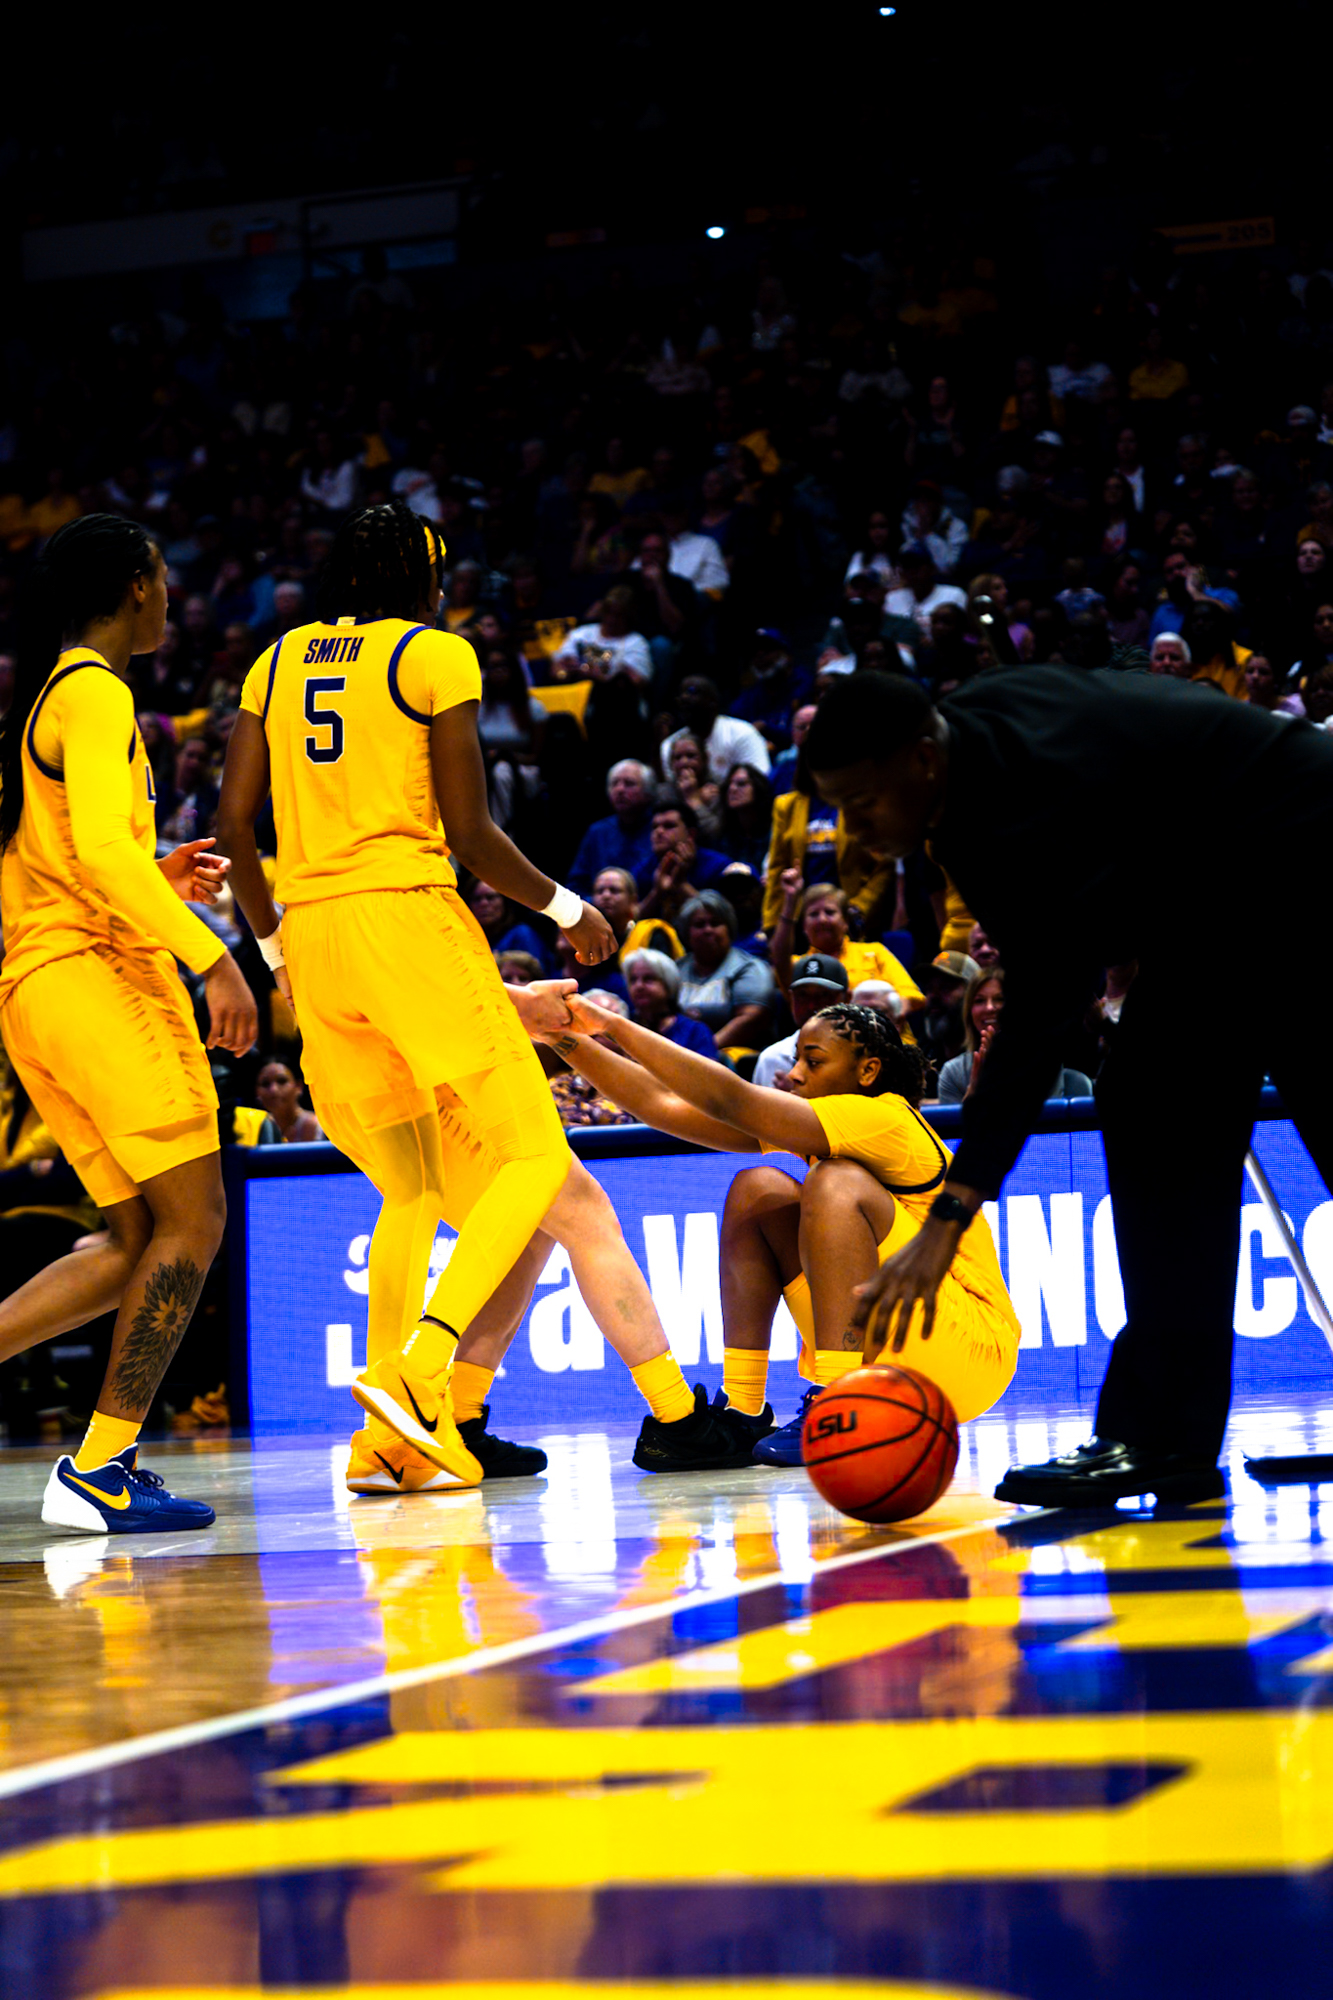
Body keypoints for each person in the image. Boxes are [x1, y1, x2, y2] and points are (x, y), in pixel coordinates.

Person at [805, 666, 1333, 1505]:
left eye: (862, 799)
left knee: (1171, 1099)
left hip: (1303, 853)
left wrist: (950, 1214)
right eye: (837, 804)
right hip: (1219, 894)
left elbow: (1042, 1010)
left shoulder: (1022, 799)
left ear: (921, 759)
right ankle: (1161, 1439)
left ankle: (1158, 1433)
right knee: (1149, 1106)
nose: (853, 827)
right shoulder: (964, 761)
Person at [216, 499, 621, 1487]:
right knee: (534, 1151)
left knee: (410, 1188)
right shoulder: (436, 655)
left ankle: (383, 1440)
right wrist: (570, 908)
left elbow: (231, 827)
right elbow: (473, 834)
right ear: (424, 574)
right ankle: (422, 1368)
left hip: (311, 936)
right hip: (403, 913)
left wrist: (271, 954)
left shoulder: (274, 661)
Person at [0, 513, 258, 1533]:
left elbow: (70, 864)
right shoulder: (97, 689)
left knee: (136, 1235)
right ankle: (100, 1468)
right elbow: (101, 857)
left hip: (39, 987)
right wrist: (213, 954)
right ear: (133, 586)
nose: (170, 593)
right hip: (102, 984)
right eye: (161, 573)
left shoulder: (45, 700)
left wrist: (153, 877)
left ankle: (104, 1460)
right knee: (195, 1222)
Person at [544, 996, 1019, 1466]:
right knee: (759, 1190)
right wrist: (563, 1038)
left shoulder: (887, 1118)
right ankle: (743, 1409)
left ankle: (840, 1395)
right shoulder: (824, 1125)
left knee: (835, 1183)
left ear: (868, 1071)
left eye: (813, 1062)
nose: (794, 1074)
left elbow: (730, 1097)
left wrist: (610, 1023)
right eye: (795, 1059)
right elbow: (661, 1104)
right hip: (909, 1339)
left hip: (971, 1348)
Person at [771, 880, 924, 1018]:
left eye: (830, 912)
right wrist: (790, 902)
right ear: (804, 927)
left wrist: (887, 1013)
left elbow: (911, 994)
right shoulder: (801, 966)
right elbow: (779, 958)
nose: (822, 919)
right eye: (813, 914)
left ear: (845, 922)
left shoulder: (875, 952)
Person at [936, 970, 1092, 1104]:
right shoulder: (952, 1073)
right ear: (969, 1011)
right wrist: (976, 1088)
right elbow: (955, 1135)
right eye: (979, 1000)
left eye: (1000, 999)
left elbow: (1042, 1125)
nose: (990, 1007)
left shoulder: (1044, 1060)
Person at [675, 892, 776, 1050]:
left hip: (729, 1058)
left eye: (715, 923)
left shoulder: (749, 967)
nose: (708, 930)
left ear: (729, 929)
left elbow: (751, 1018)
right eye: (699, 924)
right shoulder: (675, 969)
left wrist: (704, 1051)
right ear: (687, 933)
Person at [753, 952, 851, 1087]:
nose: (812, 1006)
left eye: (824, 995)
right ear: (791, 998)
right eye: (802, 995)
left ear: (847, 999)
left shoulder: (861, 1057)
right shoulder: (772, 1058)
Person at [566, 758, 656, 895]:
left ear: (648, 792)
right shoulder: (597, 832)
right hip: (601, 912)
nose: (620, 789)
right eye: (614, 784)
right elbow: (575, 885)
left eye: (629, 784)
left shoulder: (660, 828)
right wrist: (595, 904)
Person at [659, 676, 770, 784]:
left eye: (692, 692)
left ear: (713, 701)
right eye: (681, 694)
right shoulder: (670, 745)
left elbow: (760, 783)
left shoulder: (742, 733)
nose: (684, 697)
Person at [624, 948, 722, 1059]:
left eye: (648, 979)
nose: (639, 986)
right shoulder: (622, 1029)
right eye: (633, 980)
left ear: (668, 984)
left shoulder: (695, 1032)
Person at [716, 762, 773, 873]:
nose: (732, 789)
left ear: (757, 788)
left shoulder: (772, 831)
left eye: (741, 784)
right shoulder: (724, 834)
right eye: (729, 784)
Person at [255, 1058, 324, 1141]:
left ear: (298, 1087)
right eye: (265, 1084)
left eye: (282, 1081)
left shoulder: (319, 1126)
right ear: (257, 1092)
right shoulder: (255, 1128)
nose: (273, 1090)